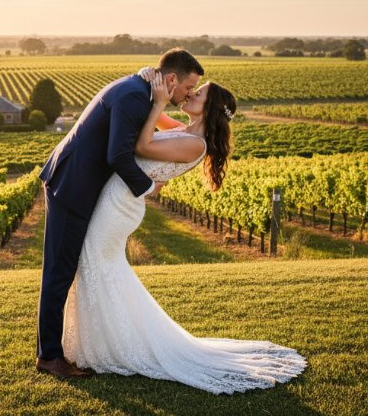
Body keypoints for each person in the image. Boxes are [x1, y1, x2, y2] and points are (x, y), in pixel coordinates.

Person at [60, 69, 308, 394]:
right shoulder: (185, 131)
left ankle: (111, 344)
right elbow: (155, 115)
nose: (191, 94)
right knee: (99, 265)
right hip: (119, 198)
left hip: (120, 205)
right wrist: (149, 79)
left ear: (209, 108)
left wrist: (158, 102)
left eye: (199, 93)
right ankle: (106, 339)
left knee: (96, 262)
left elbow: (142, 145)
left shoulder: (195, 145)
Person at [36, 49, 204, 378]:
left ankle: (56, 350)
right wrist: (148, 187)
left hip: (81, 183)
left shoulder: (141, 91)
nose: (188, 94)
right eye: (188, 87)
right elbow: (118, 155)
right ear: (171, 79)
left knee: (65, 268)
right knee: (59, 271)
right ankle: (49, 356)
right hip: (72, 184)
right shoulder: (134, 97)